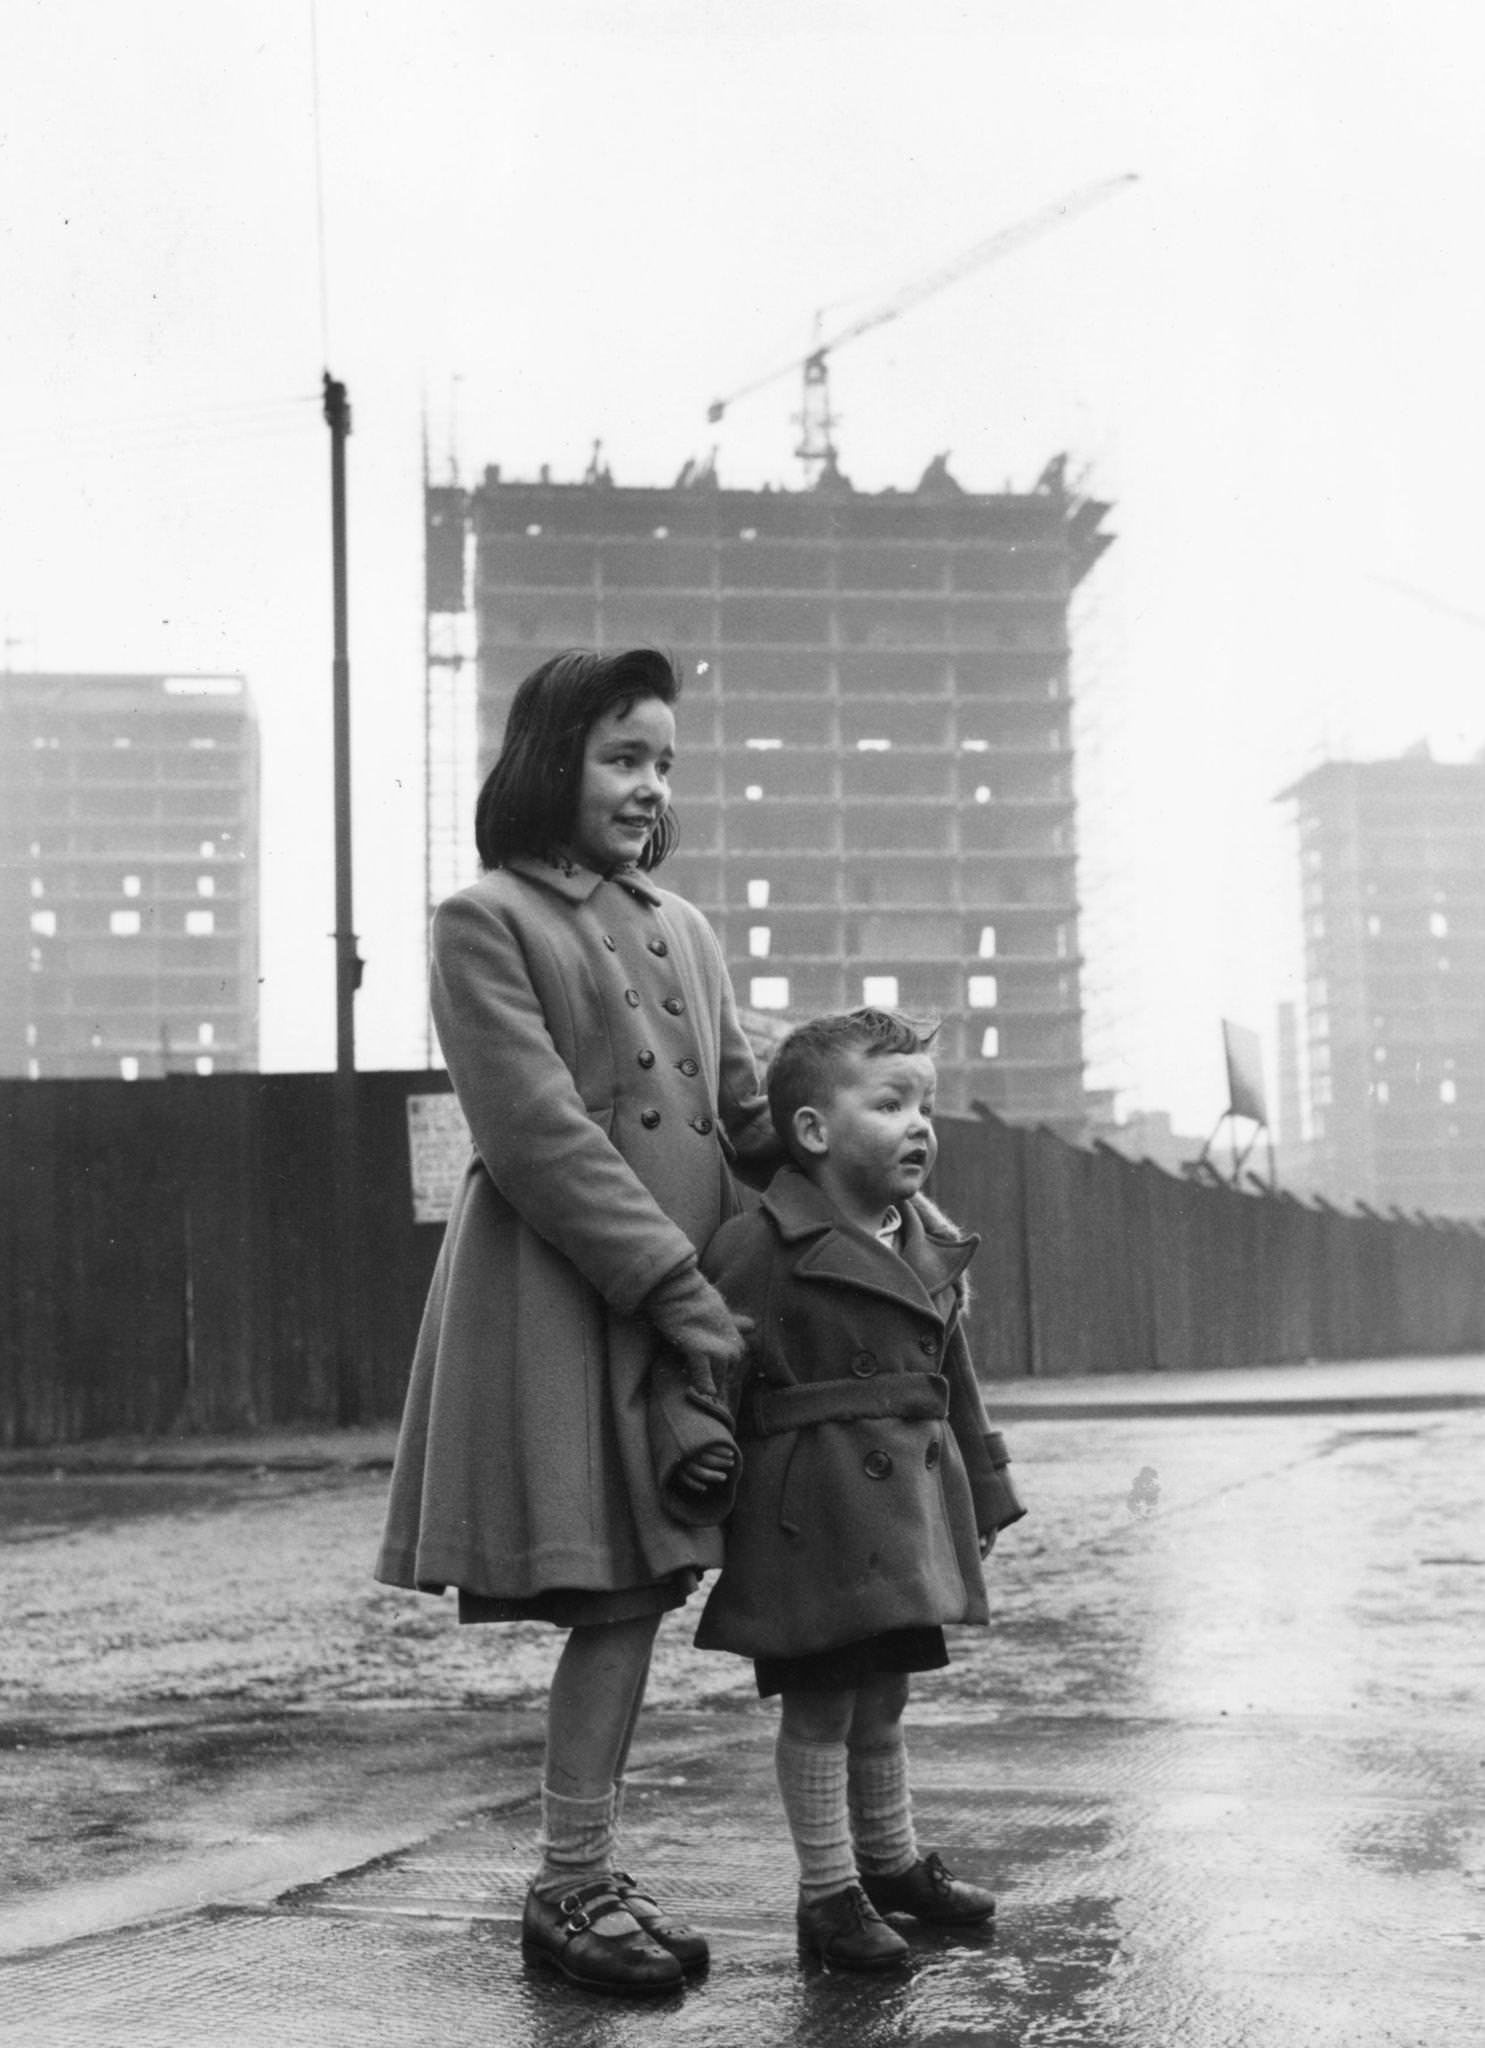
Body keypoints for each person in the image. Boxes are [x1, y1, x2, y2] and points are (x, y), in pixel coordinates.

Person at [375, 646, 779, 1995]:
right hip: (569, 1300)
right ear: (552, 761)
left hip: (681, 1307)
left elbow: (740, 1107)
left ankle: (584, 1872)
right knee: (616, 1588)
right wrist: (672, 1288)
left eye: (663, 760)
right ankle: (569, 1882)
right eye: (622, 756)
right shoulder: (482, 919)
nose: (648, 784)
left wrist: (853, 1132)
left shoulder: (687, 925)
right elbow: (537, 1133)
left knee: (643, 1593)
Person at [694, 1008, 1026, 1970]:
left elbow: (951, 1380)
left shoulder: (924, 1241)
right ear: (811, 1131)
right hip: (811, 1515)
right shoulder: (762, 1244)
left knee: (885, 1697)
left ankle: (888, 1862)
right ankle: (827, 1893)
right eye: (890, 1103)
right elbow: (704, 1367)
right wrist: (694, 1453)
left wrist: (986, 1485)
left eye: (925, 1103)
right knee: (821, 1706)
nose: (920, 1123)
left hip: (905, 1507)